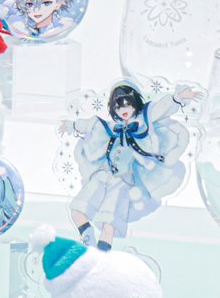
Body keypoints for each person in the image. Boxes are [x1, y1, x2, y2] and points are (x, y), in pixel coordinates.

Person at [64, 82, 197, 250]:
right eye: (118, 107)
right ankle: (88, 244)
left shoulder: (142, 122)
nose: (123, 110)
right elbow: (91, 124)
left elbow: (160, 109)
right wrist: (71, 125)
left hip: (122, 181)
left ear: (134, 104)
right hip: (102, 175)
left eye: (127, 104)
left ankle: (102, 256)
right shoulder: (111, 127)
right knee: (77, 210)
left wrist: (176, 98)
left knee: (109, 222)